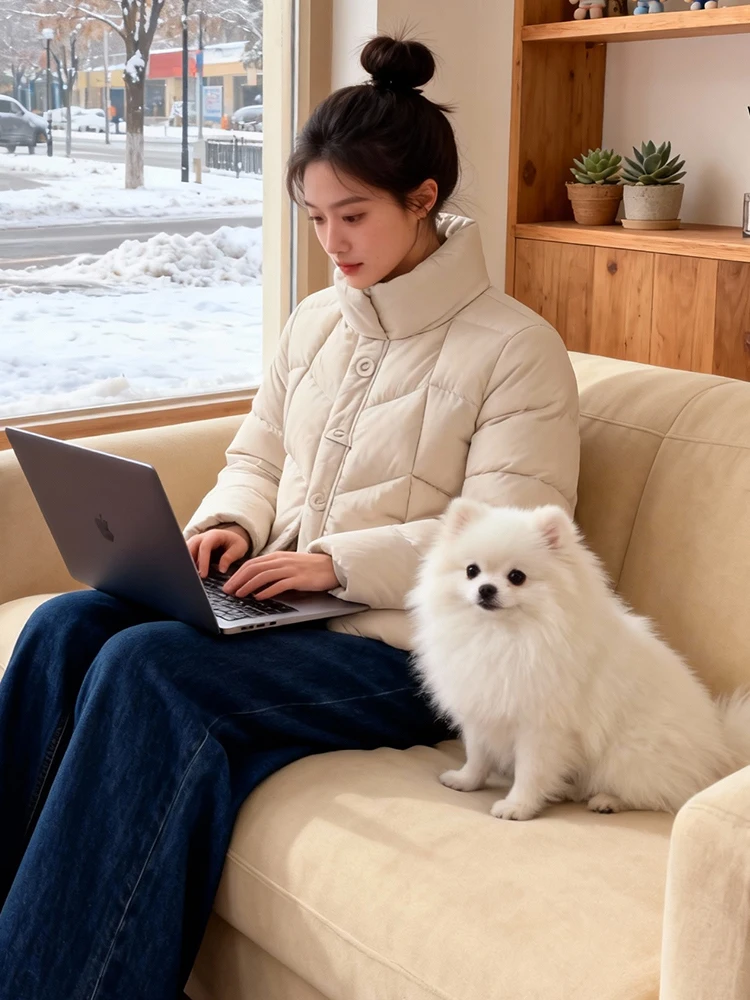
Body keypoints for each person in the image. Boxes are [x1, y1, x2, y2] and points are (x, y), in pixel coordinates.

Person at [0, 33, 580, 1000]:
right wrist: (228, 521)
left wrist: (335, 565)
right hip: (283, 610)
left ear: (424, 201)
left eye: (353, 215)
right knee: (68, 624)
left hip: (411, 648)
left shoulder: (517, 350)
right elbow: (258, 456)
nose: (334, 242)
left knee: (150, 668)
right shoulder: (316, 321)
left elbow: (512, 535)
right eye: (315, 219)